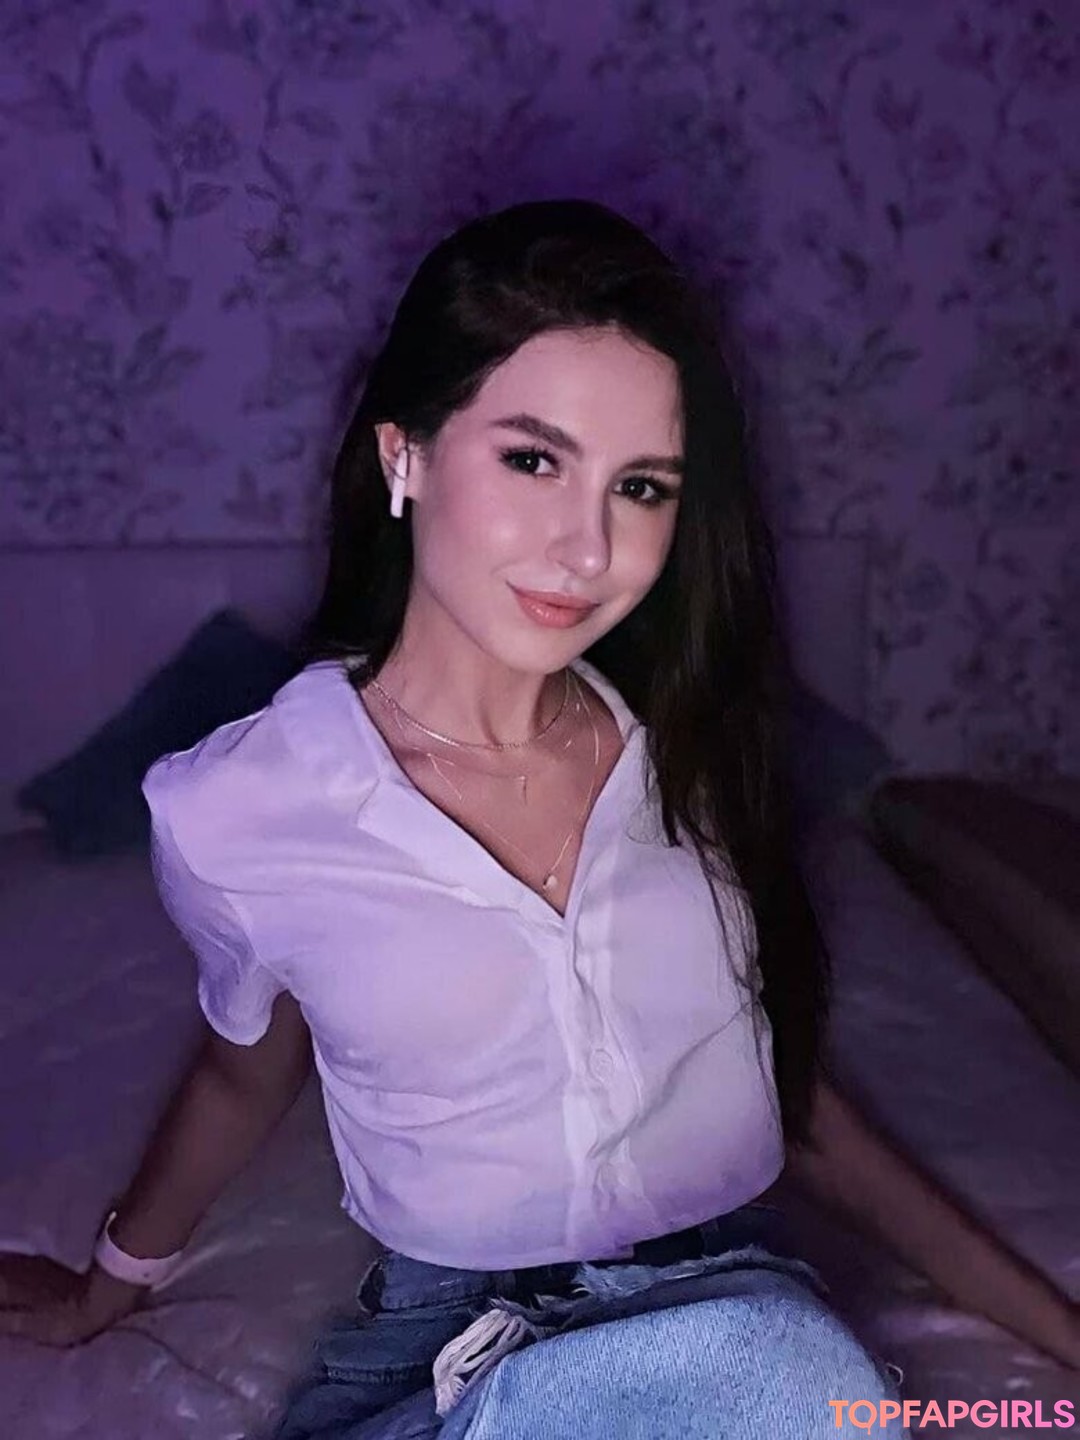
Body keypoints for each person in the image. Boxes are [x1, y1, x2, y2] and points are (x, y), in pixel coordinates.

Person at [1, 201, 1077, 1438]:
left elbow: (796, 1102)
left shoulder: (699, 755)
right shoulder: (236, 807)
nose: (588, 549)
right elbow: (240, 1078)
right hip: (440, 1352)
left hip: (734, 1313)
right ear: (404, 457)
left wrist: (1059, 1331)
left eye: (641, 487)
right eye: (533, 461)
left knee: (784, 1370)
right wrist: (108, 1284)